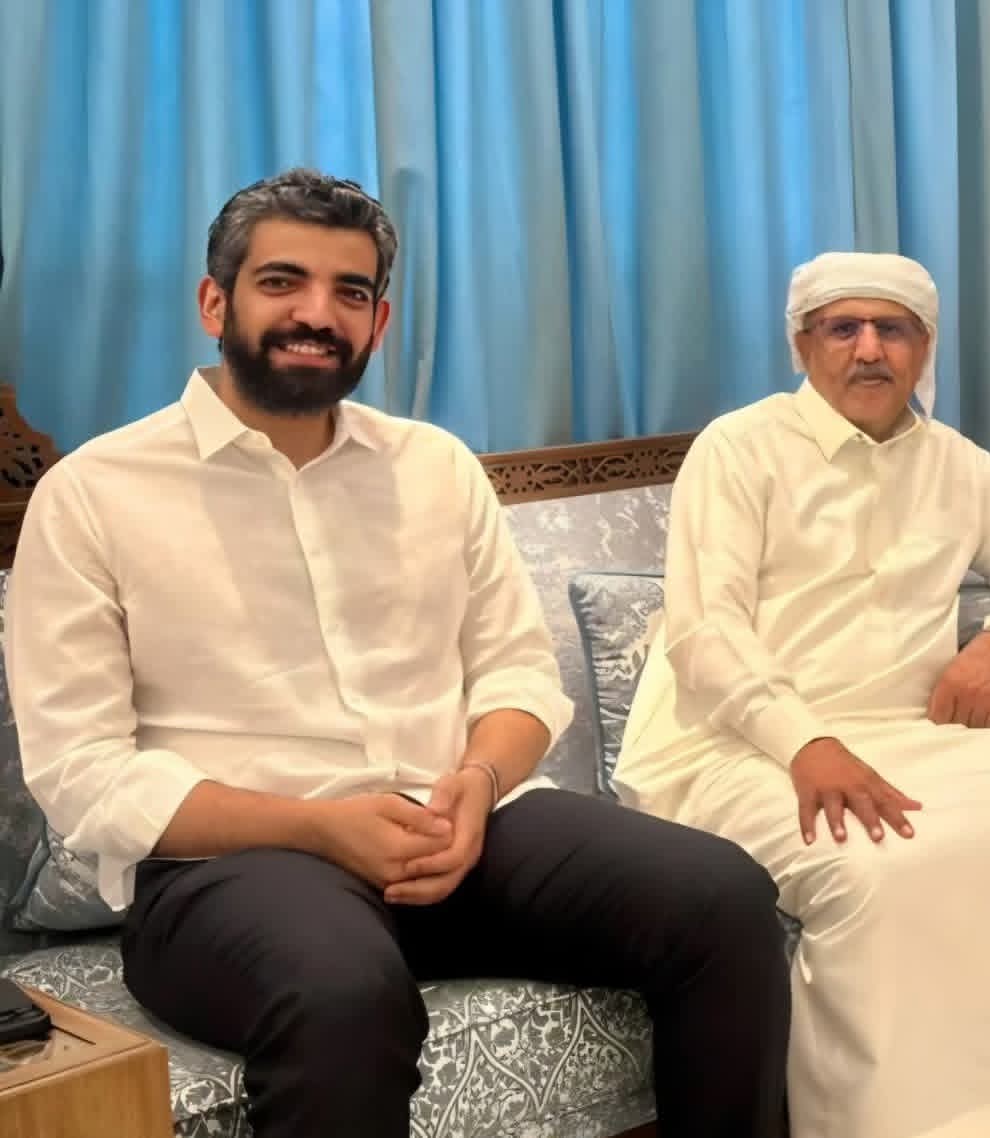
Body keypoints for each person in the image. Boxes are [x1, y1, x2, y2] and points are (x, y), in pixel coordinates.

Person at [4, 169, 791, 1138]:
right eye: (282, 281)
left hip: (457, 824)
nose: (316, 314)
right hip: (232, 867)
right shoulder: (96, 492)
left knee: (722, 897)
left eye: (350, 292)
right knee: (341, 993)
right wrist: (317, 826)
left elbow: (517, 674)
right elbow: (81, 772)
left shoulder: (434, 465)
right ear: (215, 302)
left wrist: (477, 782)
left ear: (378, 323)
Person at [612, 251, 990, 1138]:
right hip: (732, 745)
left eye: (893, 330)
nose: (869, 350)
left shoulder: (957, 464)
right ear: (803, 346)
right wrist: (806, 743)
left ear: (924, 347)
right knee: (875, 870)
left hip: (912, 735)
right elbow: (704, 634)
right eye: (844, 328)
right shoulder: (739, 447)